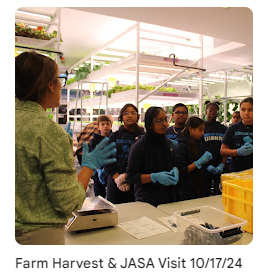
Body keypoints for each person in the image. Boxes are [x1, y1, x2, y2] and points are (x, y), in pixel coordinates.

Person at [15, 51, 116, 245]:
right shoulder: (49, 132)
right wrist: (89, 166)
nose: (62, 85)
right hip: (37, 238)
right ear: (50, 85)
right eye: (59, 79)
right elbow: (68, 202)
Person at [127, 107, 179, 207]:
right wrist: (154, 177)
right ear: (150, 124)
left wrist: (176, 169)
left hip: (169, 198)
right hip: (147, 201)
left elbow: (173, 163)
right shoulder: (139, 146)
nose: (164, 124)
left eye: (165, 119)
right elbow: (131, 177)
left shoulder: (168, 144)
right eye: (159, 121)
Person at [104, 103, 145, 204]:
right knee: (115, 211)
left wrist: (127, 176)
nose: (130, 115)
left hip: (135, 182)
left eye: (133, 113)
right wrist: (118, 178)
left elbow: (145, 160)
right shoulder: (114, 136)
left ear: (137, 117)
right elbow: (107, 160)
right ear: (121, 117)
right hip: (115, 181)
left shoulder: (143, 136)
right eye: (126, 113)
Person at [175, 116, 212, 201]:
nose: (202, 133)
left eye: (203, 130)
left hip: (200, 184)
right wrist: (197, 163)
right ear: (191, 129)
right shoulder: (182, 146)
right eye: (200, 129)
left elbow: (204, 158)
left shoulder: (199, 142)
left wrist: (207, 161)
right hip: (186, 188)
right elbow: (181, 170)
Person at [220, 97, 253, 172]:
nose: (246, 113)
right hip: (236, 171)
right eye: (243, 109)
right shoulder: (233, 128)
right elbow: (223, 151)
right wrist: (237, 152)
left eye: (250, 110)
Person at [203, 101, 227, 196]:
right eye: (210, 110)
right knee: (205, 192)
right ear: (206, 112)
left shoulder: (223, 128)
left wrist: (222, 164)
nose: (213, 113)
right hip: (205, 166)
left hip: (220, 165)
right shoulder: (202, 127)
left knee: (219, 192)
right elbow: (199, 148)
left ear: (218, 112)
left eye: (215, 111)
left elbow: (226, 147)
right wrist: (206, 165)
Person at [88, 115, 113, 198]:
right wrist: (97, 169)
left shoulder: (114, 138)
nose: (105, 126)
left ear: (111, 126)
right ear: (98, 127)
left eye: (107, 124)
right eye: (102, 124)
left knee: (111, 195)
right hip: (98, 171)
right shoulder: (94, 140)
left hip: (111, 172)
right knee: (99, 195)